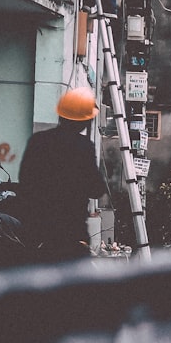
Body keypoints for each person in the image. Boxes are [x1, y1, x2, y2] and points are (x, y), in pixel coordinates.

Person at [19, 87, 109, 262]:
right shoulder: (84, 147)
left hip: (35, 231)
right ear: (85, 121)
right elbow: (96, 189)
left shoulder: (37, 141)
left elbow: (25, 182)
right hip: (71, 234)